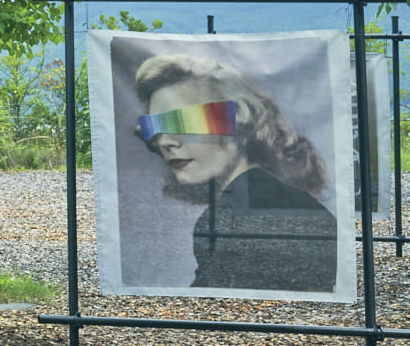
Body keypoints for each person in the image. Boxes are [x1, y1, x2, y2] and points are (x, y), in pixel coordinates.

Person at [132, 52, 338, 292]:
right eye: (153, 128)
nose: (164, 142)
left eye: (183, 122)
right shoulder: (289, 201)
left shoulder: (226, 219)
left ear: (239, 119)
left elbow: (213, 313)